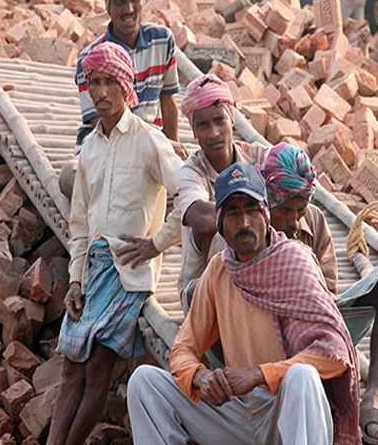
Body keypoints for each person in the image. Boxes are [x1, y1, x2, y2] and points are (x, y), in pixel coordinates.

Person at [128, 162, 361, 445]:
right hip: (236, 409)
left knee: (302, 376)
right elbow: (184, 348)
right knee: (143, 382)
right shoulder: (218, 269)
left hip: (285, 406)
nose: (244, 223)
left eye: (252, 210)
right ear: (221, 223)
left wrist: (258, 376)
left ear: (265, 214)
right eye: (234, 214)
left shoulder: (294, 261)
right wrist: (201, 377)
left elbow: (331, 353)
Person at [47, 42, 183, 445]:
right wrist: (74, 279)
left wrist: (157, 244)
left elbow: (188, 195)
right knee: (72, 368)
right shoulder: (88, 147)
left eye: (109, 82)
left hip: (129, 272)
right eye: (94, 82)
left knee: (97, 367)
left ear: (126, 86)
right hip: (91, 271)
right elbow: (79, 224)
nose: (101, 92)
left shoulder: (149, 140)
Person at [261, 142, 378, 445]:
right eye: (284, 210)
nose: (293, 220)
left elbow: (327, 297)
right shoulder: (250, 226)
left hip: (318, 328)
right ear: (267, 201)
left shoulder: (315, 221)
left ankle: (371, 400)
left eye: (300, 209)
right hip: (268, 335)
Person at [59, 0, 184, 199]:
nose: (128, 9)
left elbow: (168, 103)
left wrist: (171, 146)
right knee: (69, 176)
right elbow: (101, 123)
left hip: (153, 147)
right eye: (119, 1)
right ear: (107, 5)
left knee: (189, 177)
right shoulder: (90, 58)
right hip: (107, 149)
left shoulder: (163, 40)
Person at [175, 74, 269, 309]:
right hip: (201, 288)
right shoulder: (191, 171)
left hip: (260, 269)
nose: (214, 133)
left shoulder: (258, 157)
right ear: (194, 131)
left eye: (219, 120)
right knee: (217, 231)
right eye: (203, 125)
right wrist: (251, 212)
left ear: (232, 120)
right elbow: (203, 220)